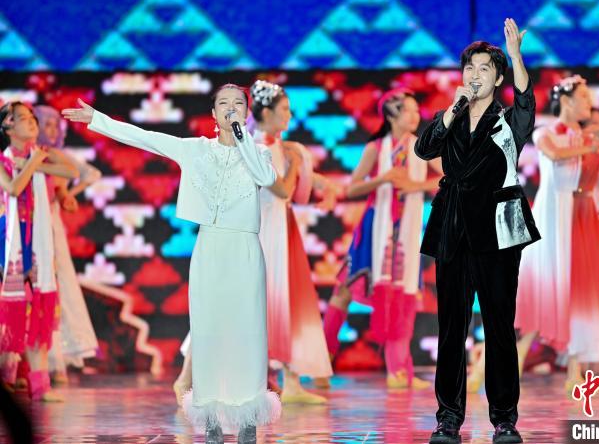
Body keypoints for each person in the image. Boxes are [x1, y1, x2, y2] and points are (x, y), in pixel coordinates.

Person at [62, 86, 281, 443]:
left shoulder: (259, 152)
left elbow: (266, 179)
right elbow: (145, 137)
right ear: (213, 114)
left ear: (246, 112)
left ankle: (248, 421)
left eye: (238, 104)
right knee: (208, 330)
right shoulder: (196, 149)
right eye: (223, 103)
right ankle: (211, 419)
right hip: (210, 246)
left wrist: (242, 137)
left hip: (245, 248)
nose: (231, 108)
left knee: (248, 330)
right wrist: (97, 120)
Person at [414, 19, 538, 444]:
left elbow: (527, 102)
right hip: (453, 227)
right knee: (451, 328)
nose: (475, 74)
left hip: (498, 229)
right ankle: (448, 418)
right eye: (470, 68)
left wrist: (516, 57)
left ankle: (504, 419)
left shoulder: (509, 121)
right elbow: (424, 148)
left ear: (498, 78)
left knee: (499, 326)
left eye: (485, 69)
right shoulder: (450, 117)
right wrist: (453, 109)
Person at [514, 77, 599, 392]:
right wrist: (592, 144)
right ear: (566, 101)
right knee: (545, 293)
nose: (590, 103)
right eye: (584, 97)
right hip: (551, 218)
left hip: (582, 219)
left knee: (579, 295)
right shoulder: (546, 132)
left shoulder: (592, 137)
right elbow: (553, 153)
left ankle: (575, 372)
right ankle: (505, 363)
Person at [321, 88, 441, 389]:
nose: (415, 116)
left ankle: (398, 370)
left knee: (403, 295)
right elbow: (351, 188)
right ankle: (320, 362)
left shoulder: (422, 146)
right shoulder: (376, 148)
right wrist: (382, 179)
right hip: (374, 229)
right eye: (408, 110)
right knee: (344, 290)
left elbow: (449, 176)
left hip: (406, 231)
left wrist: (415, 185)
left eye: (416, 110)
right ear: (391, 115)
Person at [250, 80, 337, 404]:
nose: (289, 115)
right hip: (264, 233)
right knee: (269, 303)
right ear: (267, 113)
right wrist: (297, 164)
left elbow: (299, 186)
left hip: (280, 230)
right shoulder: (256, 148)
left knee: (287, 302)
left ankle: (290, 381)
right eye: (284, 109)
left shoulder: (278, 146)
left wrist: (324, 185)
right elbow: (283, 189)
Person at [0, 101, 79, 402]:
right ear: (7, 128)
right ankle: (7, 375)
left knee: (38, 310)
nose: (31, 121)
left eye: (31, 117)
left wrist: (35, 163)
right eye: (22, 118)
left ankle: (40, 384)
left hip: (38, 244)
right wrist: (31, 164)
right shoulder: (3, 161)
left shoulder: (42, 154)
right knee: (8, 312)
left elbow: (71, 170)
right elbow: (13, 188)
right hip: (8, 242)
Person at [35, 105, 101, 384]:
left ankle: (55, 359)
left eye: (55, 125)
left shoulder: (53, 156)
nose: (50, 130)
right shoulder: (18, 155)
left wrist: (66, 196)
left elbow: (83, 174)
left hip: (49, 227)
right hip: (23, 224)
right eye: (44, 124)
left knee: (56, 287)